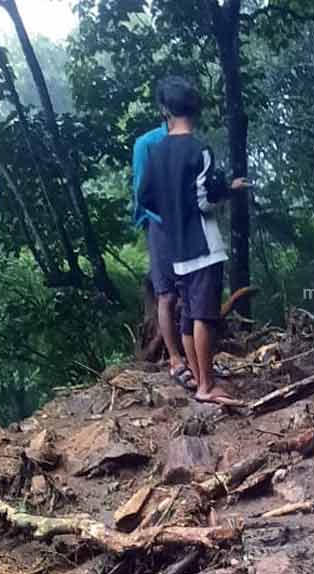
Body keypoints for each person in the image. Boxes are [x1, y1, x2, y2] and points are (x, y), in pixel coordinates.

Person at [139, 76, 248, 405]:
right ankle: (206, 386)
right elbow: (204, 200)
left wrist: (173, 212)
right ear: (195, 109)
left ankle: (201, 380)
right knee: (203, 316)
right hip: (203, 245)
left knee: (188, 315)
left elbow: (146, 197)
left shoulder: (155, 152)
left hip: (176, 248)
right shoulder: (199, 150)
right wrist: (226, 192)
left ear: (165, 110)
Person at [131, 104, 193, 389]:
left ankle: (196, 356)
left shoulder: (189, 140)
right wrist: (159, 221)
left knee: (191, 291)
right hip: (160, 226)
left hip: (189, 226)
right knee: (166, 294)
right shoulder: (147, 143)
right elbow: (142, 192)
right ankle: (175, 359)